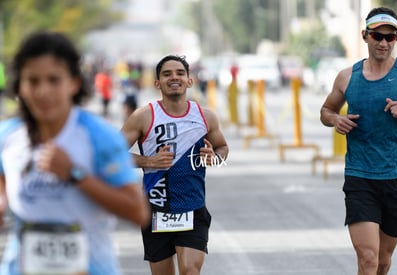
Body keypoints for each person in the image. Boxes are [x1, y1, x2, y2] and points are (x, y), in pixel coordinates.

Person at [0, 31, 150, 275]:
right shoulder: (7, 136)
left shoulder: (99, 137)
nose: (43, 91)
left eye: (53, 80)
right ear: (20, 86)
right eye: (33, 81)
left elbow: (138, 212)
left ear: (74, 83)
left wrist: (74, 174)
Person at [320, 7, 397, 275]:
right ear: (365, 36)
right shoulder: (348, 77)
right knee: (368, 258)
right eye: (377, 36)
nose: (383, 43)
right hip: (361, 176)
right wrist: (335, 120)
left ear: (396, 38)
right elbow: (326, 111)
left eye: (390, 37)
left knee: (383, 260)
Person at [121, 55, 229, 275]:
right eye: (167, 74)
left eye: (180, 73)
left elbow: (222, 148)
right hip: (155, 209)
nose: (174, 78)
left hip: (192, 206)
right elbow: (111, 155)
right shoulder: (143, 117)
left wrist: (214, 157)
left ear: (189, 81)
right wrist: (148, 161)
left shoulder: (205, 116)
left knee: (190, 270)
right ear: (157, 83)